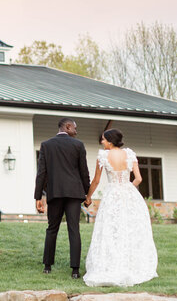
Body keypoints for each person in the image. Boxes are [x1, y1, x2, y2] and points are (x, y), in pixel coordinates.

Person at [83, 128, 158, 287]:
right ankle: (130, 264)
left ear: (110, 141)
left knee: (110, 229)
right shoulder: (130, 154)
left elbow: (96, 181)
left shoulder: (103, 156)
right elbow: (138, 178)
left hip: (112, 195)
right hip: (129, 194)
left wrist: (88, 197)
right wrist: (127, 187)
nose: (102, 142)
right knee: (129, 228)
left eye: (103, 139)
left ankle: (111, 264)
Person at [33, 117, 91, 279]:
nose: (76, 131)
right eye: (75, 128)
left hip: (55, 192)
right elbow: (84, 172)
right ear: (67, 126)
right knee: (74, 230)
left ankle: (47, 266)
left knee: (52, 229)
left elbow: (41, 173)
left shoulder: (46, 145)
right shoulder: (78, 145)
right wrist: (87, 193)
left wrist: (38, 196)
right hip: (74, 193)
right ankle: (75, 270)